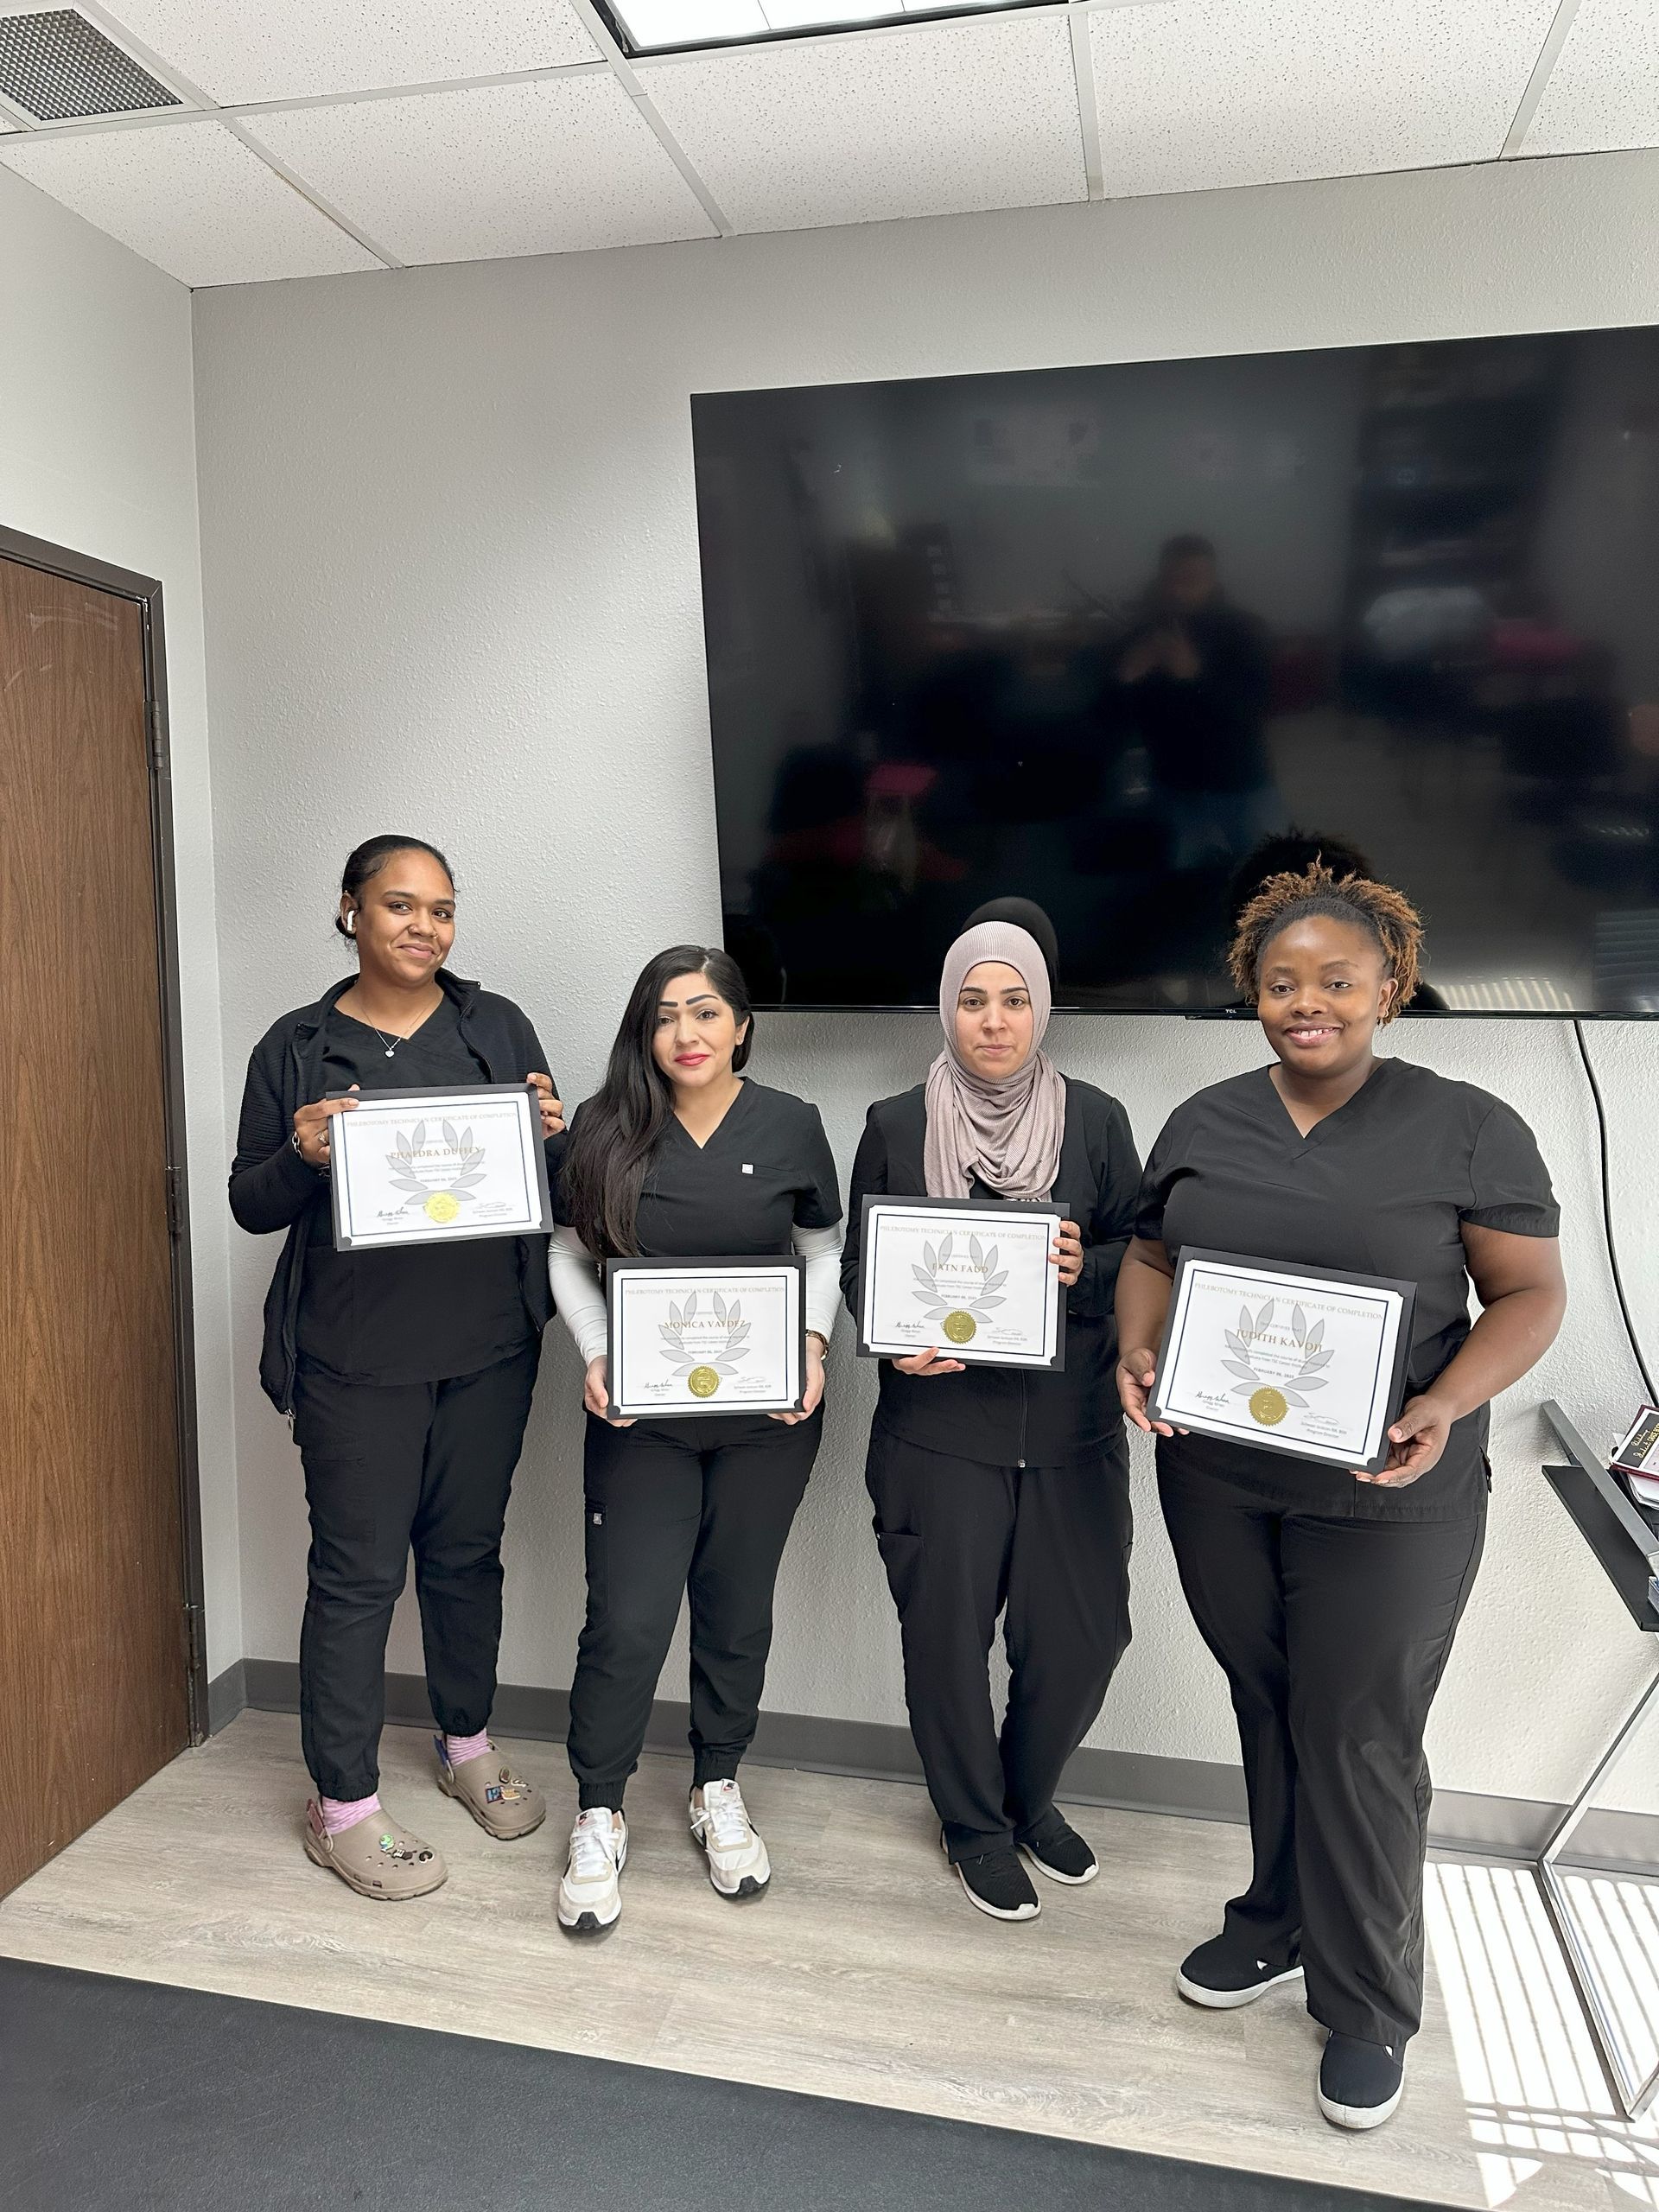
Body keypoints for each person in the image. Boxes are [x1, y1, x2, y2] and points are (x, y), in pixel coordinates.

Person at [1116, 865, 1564, 2131]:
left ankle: (1368, 2005)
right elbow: (1151, 1254)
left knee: (1360, 1735)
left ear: (1389, 987)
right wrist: (1133, 1350)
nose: (1307, 1003)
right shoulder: (1202, 1120)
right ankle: (1274, 1922)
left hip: (1390, 1493)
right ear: (1252, 993)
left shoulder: (1470, 1126)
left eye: (1337, 980)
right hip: (1217, 1478)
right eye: (1281, 982)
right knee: (1271, 1705)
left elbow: (1530, 1296)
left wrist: (1448, 1402)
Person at [229, 836, 563, 1899]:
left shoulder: (494, 1023)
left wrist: (552, 1134)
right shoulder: (298, 1045)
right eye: (400, 906)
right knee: (359, 1576)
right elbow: (250, 1202)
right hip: (355, 1361)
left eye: (443, 910)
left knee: (467, 1556)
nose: (425, 927)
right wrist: (303, 1155)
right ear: (349, 912)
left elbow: (545, 1173)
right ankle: (345, 1807)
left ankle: (466, 1745)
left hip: (488, 1351)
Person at [842, 920, 1141, 1923]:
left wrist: (1083, 1267)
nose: (995, 1020)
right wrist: (890, 1336)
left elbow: (1145, 1260)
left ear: (1042, 1008)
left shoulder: (1096, 1121)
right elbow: (858, 1269)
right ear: (947, 1008)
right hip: (937, 1436)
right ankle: (974, 1826)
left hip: (1074, 1438)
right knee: (945, 1644)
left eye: (1014, 1000)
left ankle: (1026, 1797)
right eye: (974, 1000)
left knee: (1084, 1637)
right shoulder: (891, 1122)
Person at [547, 945, 842, 1935]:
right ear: (646, 1027)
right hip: (644, 1424)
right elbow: (567, 1251)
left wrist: (810, 1345)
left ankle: (717, 1785)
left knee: (735, 1608)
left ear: (742, 1025)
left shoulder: (792, 1124)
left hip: (768, 1422)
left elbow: (820, 1248)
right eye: (667, 1015)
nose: (688, 1034)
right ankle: (601, 1806)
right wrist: (596, 1353)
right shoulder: (606, 1128)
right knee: (628, 1618)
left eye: (708, 1013)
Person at [1116, 534, 1283, 871]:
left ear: (1212, 580)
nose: (1179, 590)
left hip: (1238, 781)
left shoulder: (1245, 632)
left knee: (1271, 881)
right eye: (1171, 580)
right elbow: (1115, 723)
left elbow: (1251, 714)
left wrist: (1194, 676)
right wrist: (1127, 676)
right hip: (1174, 783)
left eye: (1191, 580)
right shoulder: (1142, 635)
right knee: (1188, 887)